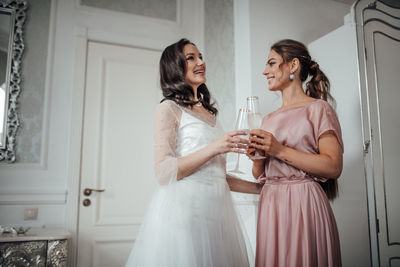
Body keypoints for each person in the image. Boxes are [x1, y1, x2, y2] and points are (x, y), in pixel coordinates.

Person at [125, 38, 260, 267]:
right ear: (174, 67)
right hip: (185, 216)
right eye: (191, 58)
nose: (200, 62)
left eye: (201, 56)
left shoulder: (210, 115)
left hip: (217, 216)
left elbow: (217, 175)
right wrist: (215, 147)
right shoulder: (167, 108)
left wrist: (261, 189)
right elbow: (163, 171)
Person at [248, 39, 343, 267]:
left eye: (272, 63)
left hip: (305, 203)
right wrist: (257, 159)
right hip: (271, 205)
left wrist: (279, 150)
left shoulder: (318, 109)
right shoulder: (267, 119)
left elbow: (333, 167)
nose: (265, 71)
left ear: (293, 66)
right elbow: (260, 175)